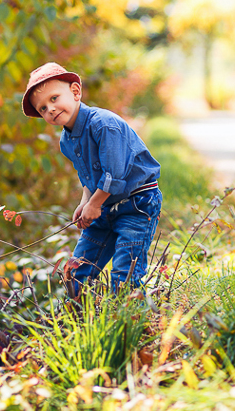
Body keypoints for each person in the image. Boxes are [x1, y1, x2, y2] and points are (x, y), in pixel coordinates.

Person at [23, 62, 162, 291]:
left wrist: (95, 203)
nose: (50, 109)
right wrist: (85, 202)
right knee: (76, 273)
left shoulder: (103, 124)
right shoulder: (66, 141)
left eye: (54, 98)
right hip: (104, 205)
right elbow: (89, 176)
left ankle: (128, 321)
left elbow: (114, 174)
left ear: (76, 92)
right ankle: (80, 320)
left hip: (137, 203)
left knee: (124, 276)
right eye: (42, 108)